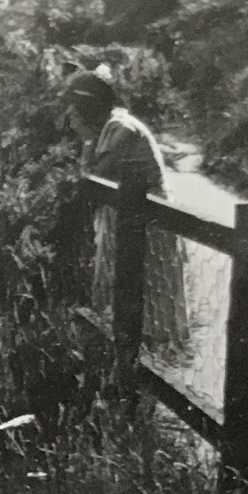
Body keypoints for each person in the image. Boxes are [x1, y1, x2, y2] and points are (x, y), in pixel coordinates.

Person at [64, 65, 189, 355]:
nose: (71, 115)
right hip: (128, 217)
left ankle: (153, 363)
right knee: (126, 295)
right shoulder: (109, 128)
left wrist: (84, 137)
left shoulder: (122, 130)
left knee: (148, 299)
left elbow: (96, 179)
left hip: (149, 224)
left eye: (76, 108)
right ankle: (136, 358)